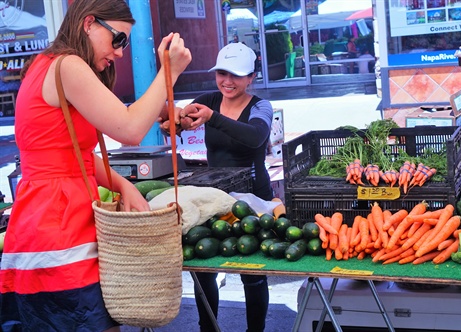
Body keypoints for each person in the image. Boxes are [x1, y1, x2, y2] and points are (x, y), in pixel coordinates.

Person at [0, 0, 191, 331]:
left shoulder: (46, 64)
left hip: (47, 222)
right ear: (88, 23)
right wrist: (168, 73)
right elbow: (130, 129)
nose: (119, 52)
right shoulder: (69, 65)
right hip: (60, 230)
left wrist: (122, 184)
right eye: (118, 39)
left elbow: (71, 154)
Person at [161, 42, 273, 332]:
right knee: (205, 269)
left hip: (254, 200)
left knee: (253, 271)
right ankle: (207, 328)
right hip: (215, 197)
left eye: (236, 75)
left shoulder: (260, 106)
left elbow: (255, 137)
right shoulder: (208, 99)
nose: (228, 81)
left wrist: (213, 118)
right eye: (222, 73)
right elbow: (183, 118)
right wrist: (173, 121)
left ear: (251, 77)